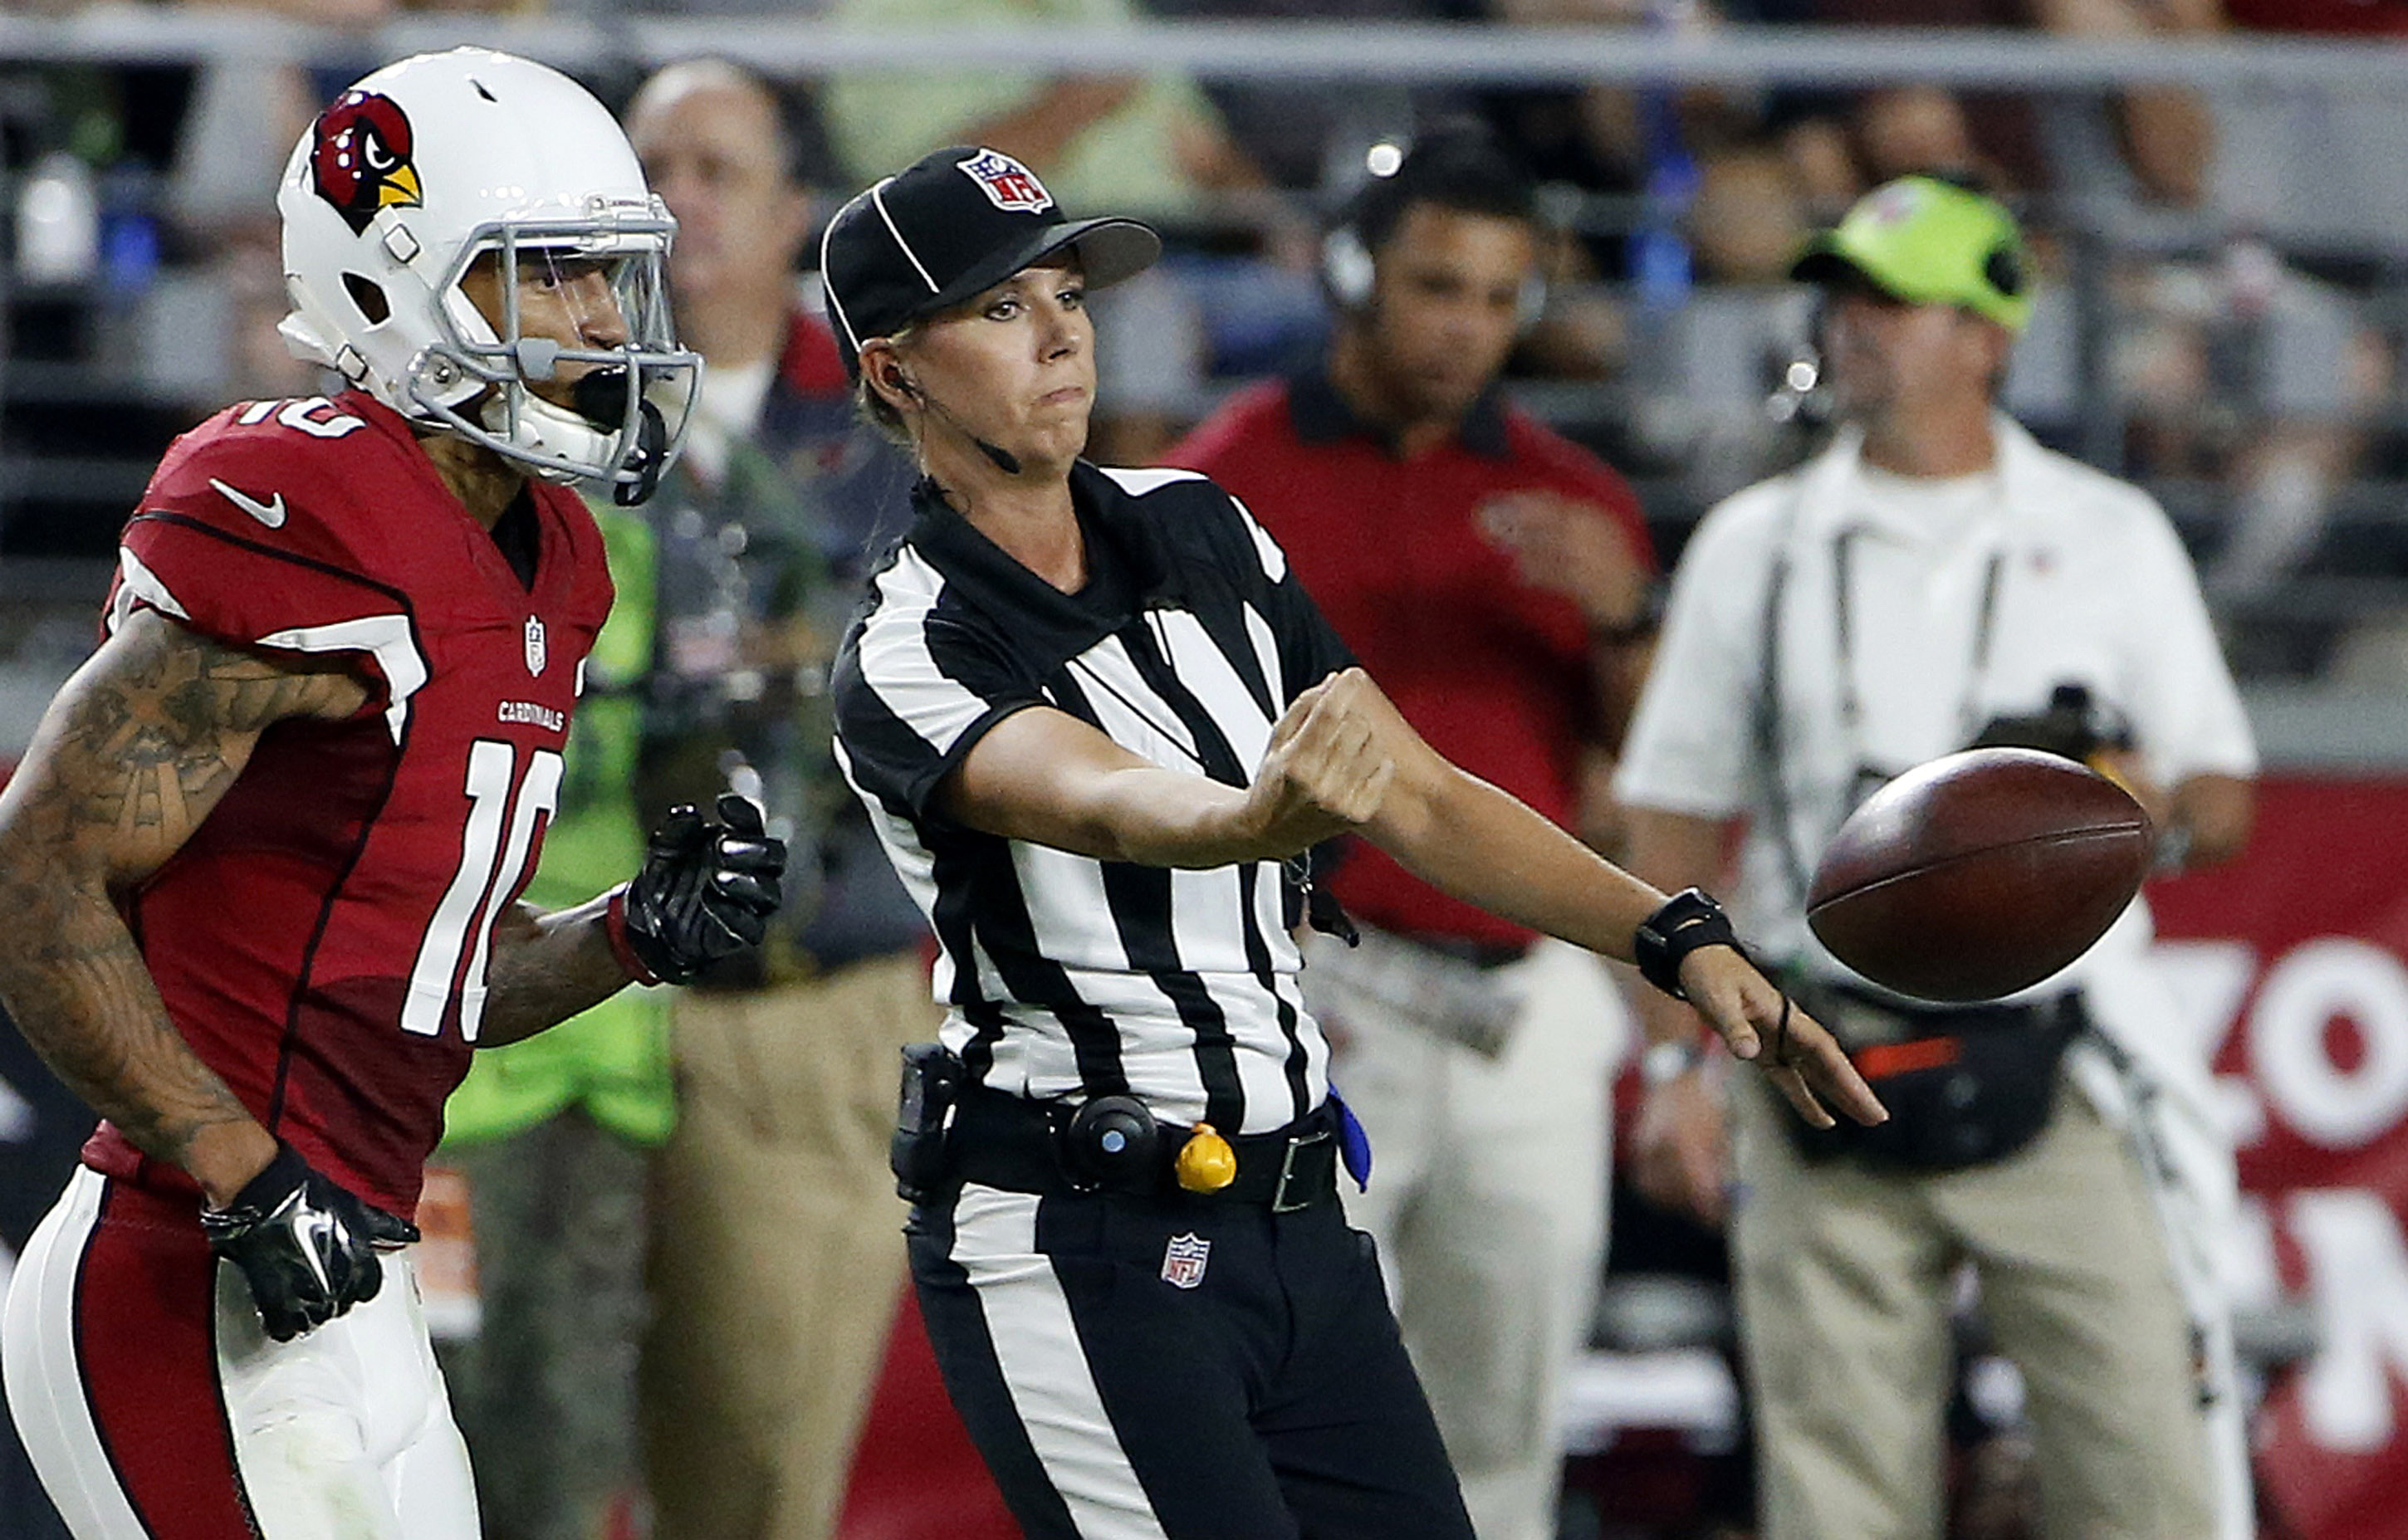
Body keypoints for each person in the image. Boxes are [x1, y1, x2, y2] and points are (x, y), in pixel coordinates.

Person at [819, 141, 1883, 1538]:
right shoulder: (911, 643)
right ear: (896, 371)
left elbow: (1423, 793)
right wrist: (1254, 818)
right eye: (1004, 308)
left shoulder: (1202, 524)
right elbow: (1097, 799)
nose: (1064, 332)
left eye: (1068, 293)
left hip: (1296, 1210)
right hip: (1081, 1226)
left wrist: (1674, 935)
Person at [0, 49, 784, 1540]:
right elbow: (31, 880)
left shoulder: (554, 552)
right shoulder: (317, 512)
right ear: (391, 284)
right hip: (187, 1256)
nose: (604, 323)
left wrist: (628, 932)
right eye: (550, 277)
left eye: (611, 279)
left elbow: (426, 973)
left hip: (350, 1258)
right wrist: (238, 1169)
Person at [1618, 175, 2260, 1540]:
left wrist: (2138, 805)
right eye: (1843, 295)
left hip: (2059, 1054)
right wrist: (1672, 1060)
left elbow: (2226, 794)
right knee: (1836, 1495)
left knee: (2151, 1469)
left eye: (1895, 300)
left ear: (1989, 333)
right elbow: (1668, 813)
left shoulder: (2108, 532)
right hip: (1815, 1046)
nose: (1856, 325)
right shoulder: (1754, 543)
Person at [1163, 126, 1654, 1540]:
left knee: (1505, 1412)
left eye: (1500, 299)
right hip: (1322, 996)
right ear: (1353, 275)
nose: (1468, 329)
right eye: (1440, 286)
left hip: (1525, 1001)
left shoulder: (1580, 503)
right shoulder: (1231, 476)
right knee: (1282, 1389)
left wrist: (1622, 612)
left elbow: (1648, 760)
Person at [618, 59, 942, 1540]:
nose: (678, 200)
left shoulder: (898, 432)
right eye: (653, 166)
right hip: (553, 1006)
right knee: (515, 1447)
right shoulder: (531, 411)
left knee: (758, 1465)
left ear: (797, 207)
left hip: (801, 999)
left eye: (718, 169)